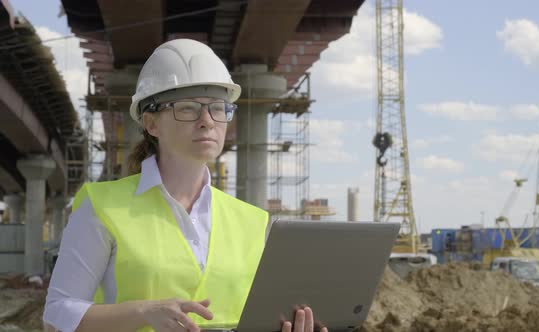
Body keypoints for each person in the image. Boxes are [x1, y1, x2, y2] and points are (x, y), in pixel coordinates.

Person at [43, 39, 328, 332]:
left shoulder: (253, 221)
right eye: (189, 108)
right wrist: (142, 311)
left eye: (218, 108)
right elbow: (57, 316)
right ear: (152, 123)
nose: (207, 121)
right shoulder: (103, 206)